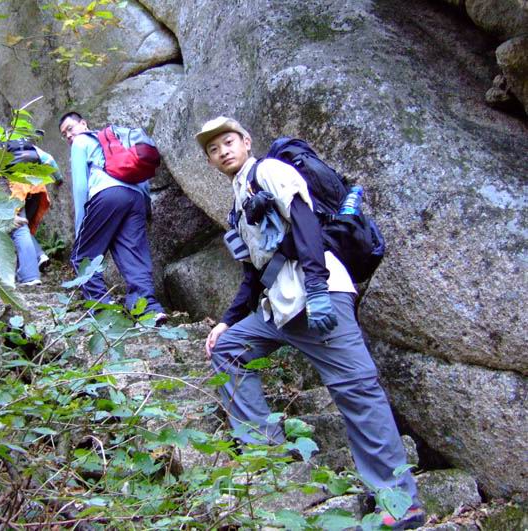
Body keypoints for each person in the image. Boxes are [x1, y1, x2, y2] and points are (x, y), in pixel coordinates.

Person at [196, 116, 425, 529]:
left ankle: (399, 501)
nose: (223, 151)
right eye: (213, 149)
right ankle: (265, 450)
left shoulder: (269, 171)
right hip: (280, 308)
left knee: (357, 391)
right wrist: (227, 322)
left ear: (246, 141)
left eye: (228, 142)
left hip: (318, 295)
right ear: (210, 162)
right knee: (228, 349)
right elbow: (254, 272)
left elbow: (305, 223)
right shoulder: (238, 203)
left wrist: (317, 288)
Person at [58, 111, 167, 324]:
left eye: (70, 129)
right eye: (64, 135)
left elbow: (80, 187)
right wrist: (145, 209)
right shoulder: (115, 143)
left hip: (107, 195)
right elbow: (140, 178)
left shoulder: (81, 142)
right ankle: (149, 310)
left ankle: (103, 313)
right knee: (133, 256)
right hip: (135, 198)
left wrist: (80, 229)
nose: (69, 136)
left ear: (83, 123)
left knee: (82, 256)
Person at [0, 130, 58, 287]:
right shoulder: (19, 143)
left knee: (18, 227)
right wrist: (58, 178)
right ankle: (38, 256)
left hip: (14, 188)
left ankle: (29, 275)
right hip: (36, 187)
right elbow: (49, 159)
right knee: (22, 226)